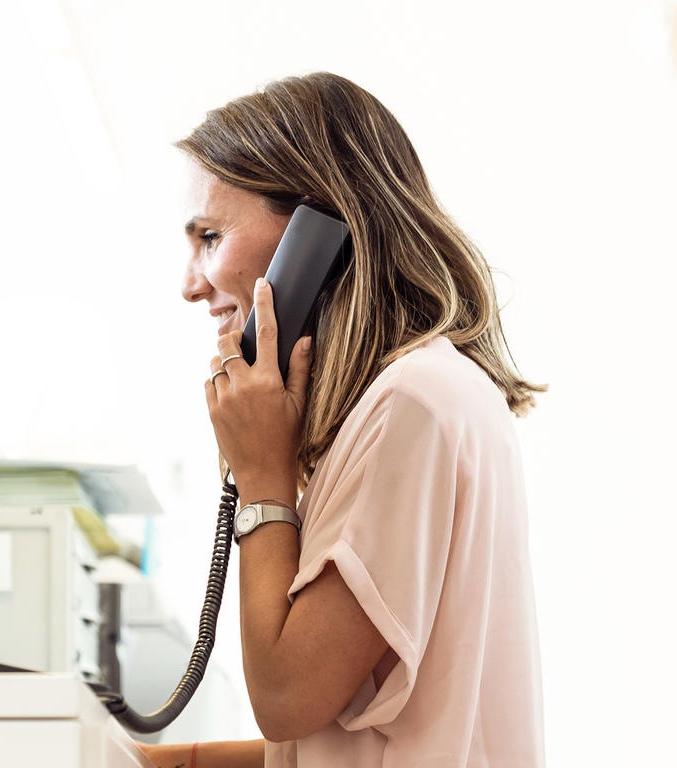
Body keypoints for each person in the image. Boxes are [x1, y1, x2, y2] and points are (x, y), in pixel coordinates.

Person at [140, 72, 545, 768]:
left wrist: (263, 477)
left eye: (210, 236)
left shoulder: (410, 405)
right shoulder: (415, 399)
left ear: (316, 233)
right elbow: (363, 733)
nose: (189, 284)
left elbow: (290, 695)